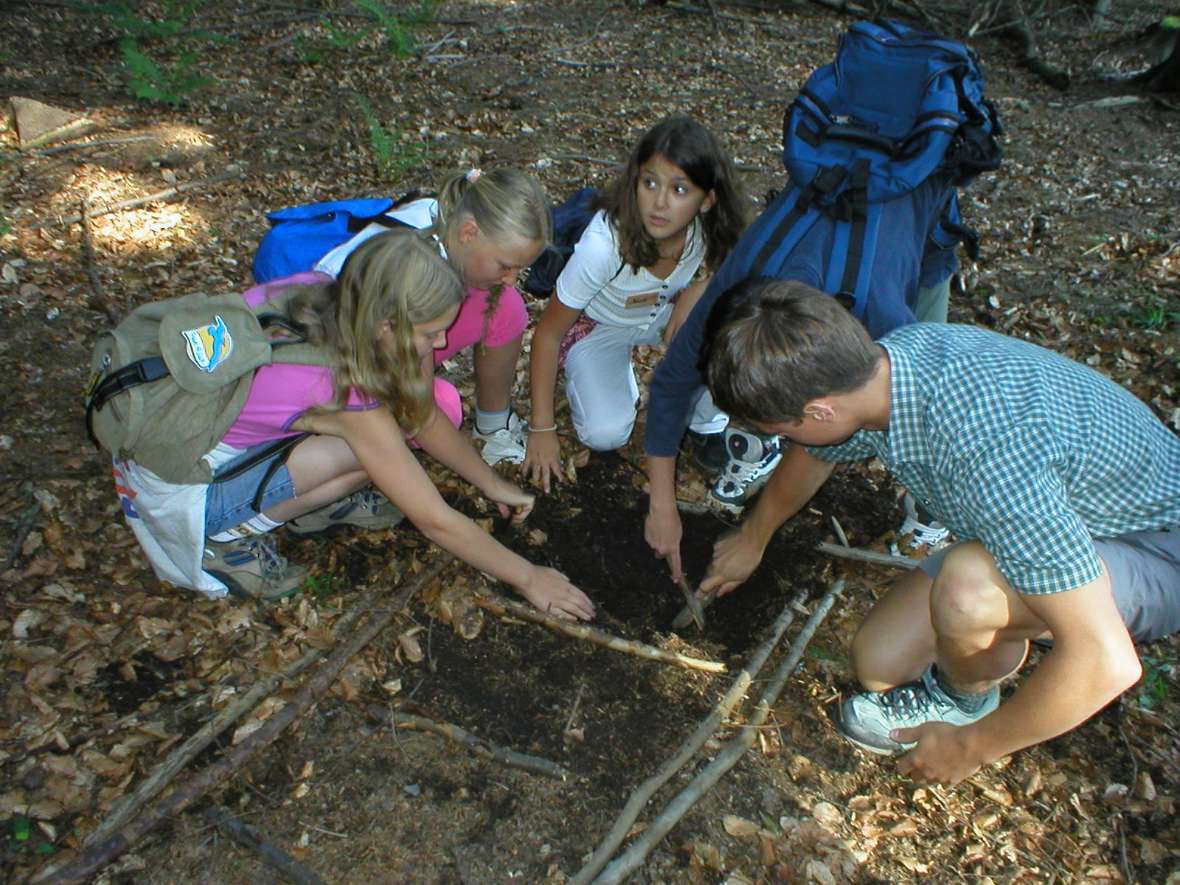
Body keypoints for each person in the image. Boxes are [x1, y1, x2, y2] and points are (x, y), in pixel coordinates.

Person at [695, 278, 1180, 785]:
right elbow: (817, 451)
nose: (782, 440)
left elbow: (1106, 661)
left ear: (819, 410)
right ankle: (998, 638)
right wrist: (754, 535)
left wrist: (973, 748)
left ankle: (964, 704)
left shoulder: (991, 455)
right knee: (879, 662)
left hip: (1154, 547)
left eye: (780, 430)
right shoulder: (885, 369)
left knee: (969, 589)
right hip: (1054, 519)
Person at [114, 229, 595, 621]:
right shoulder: (340, 391)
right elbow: (434, 519)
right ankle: (224, 541)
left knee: (384, 442)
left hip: (176, 442)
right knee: (379, 449)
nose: (444, 340)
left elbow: (421, 414)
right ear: (386, 325)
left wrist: (491, 484)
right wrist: (530, 578)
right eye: (430, 333)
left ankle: (299, 505)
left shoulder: (316, 294)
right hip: (182, 491)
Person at [643, 172, 961, 583]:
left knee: (913, 420)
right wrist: (662, 504)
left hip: (917, 208)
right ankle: (772, 435)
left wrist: (754, 537)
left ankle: (934, 510)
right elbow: (671, 383)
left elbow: (828, 433)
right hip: (832, 205)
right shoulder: (731, 292)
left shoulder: (887, 329)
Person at [522, 115, 749, 493]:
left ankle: (705, 421)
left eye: (680, 190)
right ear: (635, 181)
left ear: (707, 200)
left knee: (728, 320)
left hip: (664, 313)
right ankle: (612, 377)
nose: (659, 203)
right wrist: (541, 427)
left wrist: (699, 289)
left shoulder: (710, 229)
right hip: (601, 325)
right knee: (604, 434)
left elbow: (739, 265)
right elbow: (547, 334)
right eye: (650, 183)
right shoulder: (603, 245)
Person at [315, 168, 551, 467]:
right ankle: (354, 456)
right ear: (469, 232)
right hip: (337, 370)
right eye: (505, 266)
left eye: (520, 269)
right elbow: (421, 407)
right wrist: (485, 480)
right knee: (445, 406)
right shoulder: (414, 267)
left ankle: (493, 426)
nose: (511, 279)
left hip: (389, 341)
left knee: (506, 306)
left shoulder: (449, 215)